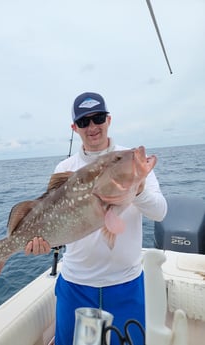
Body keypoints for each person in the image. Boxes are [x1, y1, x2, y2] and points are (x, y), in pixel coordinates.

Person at [25, 92, 167, 345]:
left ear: (108, 120)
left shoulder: (131, 158)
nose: (92, 127)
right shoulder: (65, 168)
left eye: (98, 118)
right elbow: (54, 223)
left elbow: (160, 212)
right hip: (76, 285)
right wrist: (43, 243)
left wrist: (138, 188)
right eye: (84, 122)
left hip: (126, 282)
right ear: (74, 128)